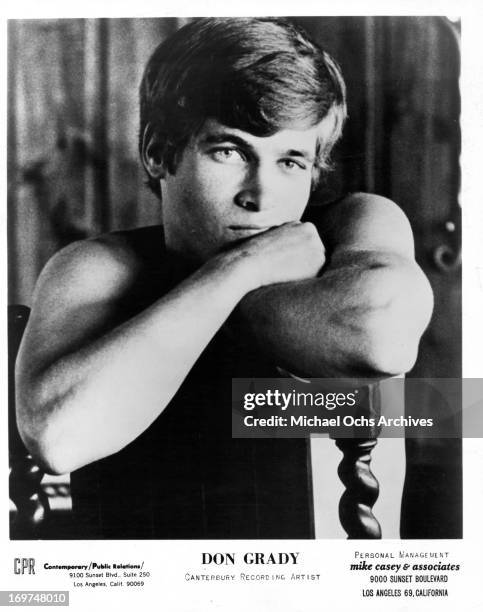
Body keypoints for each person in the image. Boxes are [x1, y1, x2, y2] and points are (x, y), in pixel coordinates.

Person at [15, 17, 433, 538]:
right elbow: (60, 438)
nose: (259, 195)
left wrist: (186, 308)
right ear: (158, 152)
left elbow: (382, 335)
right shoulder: (98, 268)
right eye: (229, 151)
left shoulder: (354, 224)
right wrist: (239, 270)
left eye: (290, 161)